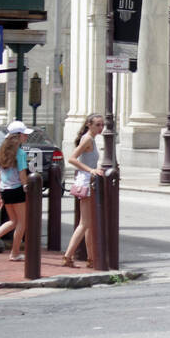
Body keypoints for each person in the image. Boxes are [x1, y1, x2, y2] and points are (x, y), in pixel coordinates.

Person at [0, 121, 32, 260]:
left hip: (5, 189)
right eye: (24, 134)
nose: (26, 137)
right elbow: (22, 173)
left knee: (13, 221)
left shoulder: (2, 151)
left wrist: (0, 193)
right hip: (17, 189)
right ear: (18, 136)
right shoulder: (20, 153)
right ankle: (14, 253)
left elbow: (1, 173)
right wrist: (25, 187)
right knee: (22, 222)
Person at [63, 114, 104, 267]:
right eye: (98, 125)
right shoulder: (87, 139)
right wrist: (91, 170)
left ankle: (91, 258)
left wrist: (92, 169)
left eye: (102, 125)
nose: (101, 127)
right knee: (85, 223)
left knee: (88, 223)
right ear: (89, 125)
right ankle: (68, 256)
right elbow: (72, 158)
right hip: (86, 182)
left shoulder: (90, 139)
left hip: (87, 181)